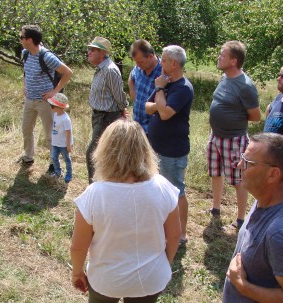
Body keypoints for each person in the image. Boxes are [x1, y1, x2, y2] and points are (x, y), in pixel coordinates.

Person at [70, 119, 181, 303]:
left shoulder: (95, 193)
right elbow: (175, 235)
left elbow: (78, 246)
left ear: (104, 151)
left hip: (106, 281)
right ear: (145, 151)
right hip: (150, 279)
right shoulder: (163, 187)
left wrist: (77, 273)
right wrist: (163, 264)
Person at [223, 133, 283, 303]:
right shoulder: (266, 199)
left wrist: (243, 287)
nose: (240, 165)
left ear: (273, 174)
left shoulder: (282, 233)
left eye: (248, 162)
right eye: (242, 158)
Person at [206, 41, 260, 230]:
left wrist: (233, 119)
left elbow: (255, 116)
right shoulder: (224, 77)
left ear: (234, 61)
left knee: (238, 180)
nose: (219, 58)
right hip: (215, 136)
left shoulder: (245, 86)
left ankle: (240, 219)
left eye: (223, 55)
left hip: (234, 139)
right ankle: (215, 208)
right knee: (215, 172)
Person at [145, 45, 193, 244]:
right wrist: (160, 100)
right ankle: (160, 227)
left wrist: (159, 92)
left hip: (172, 151)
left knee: (175, 191)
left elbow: (164, 114)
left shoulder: (182, 88)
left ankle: (181, 234)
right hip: (155, 147)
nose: (160, 63)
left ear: (174, 64)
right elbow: (148, 108)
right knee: (156, 188)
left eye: (163, 60)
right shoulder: (165, 84)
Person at [18, 25, 73, 172]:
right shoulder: (25, 53)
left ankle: (54, 164)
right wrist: (26, 86)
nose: (20, 40)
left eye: (21, 37)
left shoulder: (46, 56)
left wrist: (54, 92)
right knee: (26, 129)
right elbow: (26, 72)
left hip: (45, 102)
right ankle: (28, 157)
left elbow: (68, 72)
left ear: (29, 40)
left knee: (51, 134)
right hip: (30, 100)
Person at [85, 36, 128, 184]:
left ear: (103, 53)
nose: (89, 52)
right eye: (89, 49)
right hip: (98, 116)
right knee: (101, 153)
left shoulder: (110, 70)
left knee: (93, 153)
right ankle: (103, 184)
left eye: (93, 50)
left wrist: (123, 109)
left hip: (107, 117)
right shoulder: (101, 69)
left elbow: (119, 94)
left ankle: (94, 188)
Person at [128, 39, 162, 133]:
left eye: (140, 62)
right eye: (135, 62)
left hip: (153, 131)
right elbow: (131, 77)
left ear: (150, 56)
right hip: (136, 127)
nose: (137, 65)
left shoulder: (164, 72)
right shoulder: (138, 68)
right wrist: (134, 95)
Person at [47, 93, 73, 183]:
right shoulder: (55, 115)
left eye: (53, 106)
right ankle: (58, 172)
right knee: (54, 157)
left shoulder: (65, 119)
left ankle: (69, 174)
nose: (51, 107)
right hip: (55, 142)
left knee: (66, 159)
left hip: (63, 144)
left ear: (60, 107)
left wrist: (68, 145)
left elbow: (68, 132)